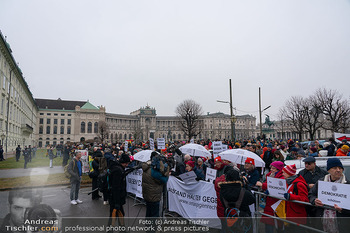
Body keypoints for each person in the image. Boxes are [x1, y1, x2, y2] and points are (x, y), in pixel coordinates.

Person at [309, 158, 350, 233]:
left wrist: (343, 209)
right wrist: (314, 200)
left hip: (341, 224)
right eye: (334, 168)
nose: (338, 170)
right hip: (323, 221)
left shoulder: (347, 184)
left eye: (340, 168)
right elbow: (311, 194)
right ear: (328, 170)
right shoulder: (321, 182)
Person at [219, 169, 255, 233]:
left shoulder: (222, 190)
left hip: (229, 219)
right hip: (243, 221)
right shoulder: (243, 192)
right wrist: (246, 186)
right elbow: (252, 200)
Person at [256, 161, 284, 233]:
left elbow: (277, 187)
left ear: (279, 169)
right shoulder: (270, 175)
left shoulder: (282, 178)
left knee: (278, 224)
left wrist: (263, 185)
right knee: (269, 223)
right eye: (271, 167)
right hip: (269, 203)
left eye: (274, 168)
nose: (271, 169)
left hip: (277, 204)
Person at [282, 164, 309, 233]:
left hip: (298, 217)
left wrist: (291, 196)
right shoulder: (288, 182)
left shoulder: (299, 184)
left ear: (289, 173)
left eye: (284, 172)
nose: (283, 174)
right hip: (290, 215)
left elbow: (305, 199)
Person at [142, 151, 169, 219]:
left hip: (147, 195)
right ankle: (152, 228)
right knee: (154, 215)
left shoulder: (146, 167)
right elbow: (164, 180)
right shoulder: (154, 171)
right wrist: (167, 172)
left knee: (148, 212)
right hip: (154, 196)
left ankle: (148, 226)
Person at [108, 153, 131, 228]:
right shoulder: (117, 170)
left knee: (116, 214)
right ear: (123, 162)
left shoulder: (117, 168)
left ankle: (120, 229)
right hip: (116, 198)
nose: (127, 165)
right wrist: (117, 202)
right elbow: (116, 187)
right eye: (126, 163)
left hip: (114, 197)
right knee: (115, 214)